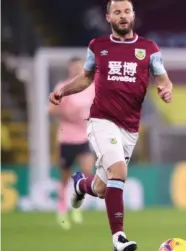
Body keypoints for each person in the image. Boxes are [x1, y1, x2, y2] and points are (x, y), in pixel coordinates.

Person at [48, 0, 173, 250]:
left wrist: (165, 89)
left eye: (127, 11)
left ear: (133, 15)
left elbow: (163, 79)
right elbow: (85, 78)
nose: (123, 16)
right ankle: (119, 238)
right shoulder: (98, 46)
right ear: (108, 17)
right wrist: (64, 90)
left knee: (103, 188)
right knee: (119, 172)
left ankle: (81, 185)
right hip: (102, 121)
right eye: (117, 12)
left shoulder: (149, 48)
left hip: (130, 127)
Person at [48, 57, 95, 230]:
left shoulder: (91, 87)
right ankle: (61, 210)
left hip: (84, 137)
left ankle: (77, 204)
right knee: (64, 177)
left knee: (88, 171)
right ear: (69, 69)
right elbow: (51, 109)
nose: (77, 69)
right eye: (74, 67)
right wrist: (66, 111)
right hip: (66, 138)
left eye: (80, 66)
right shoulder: (63, 87)